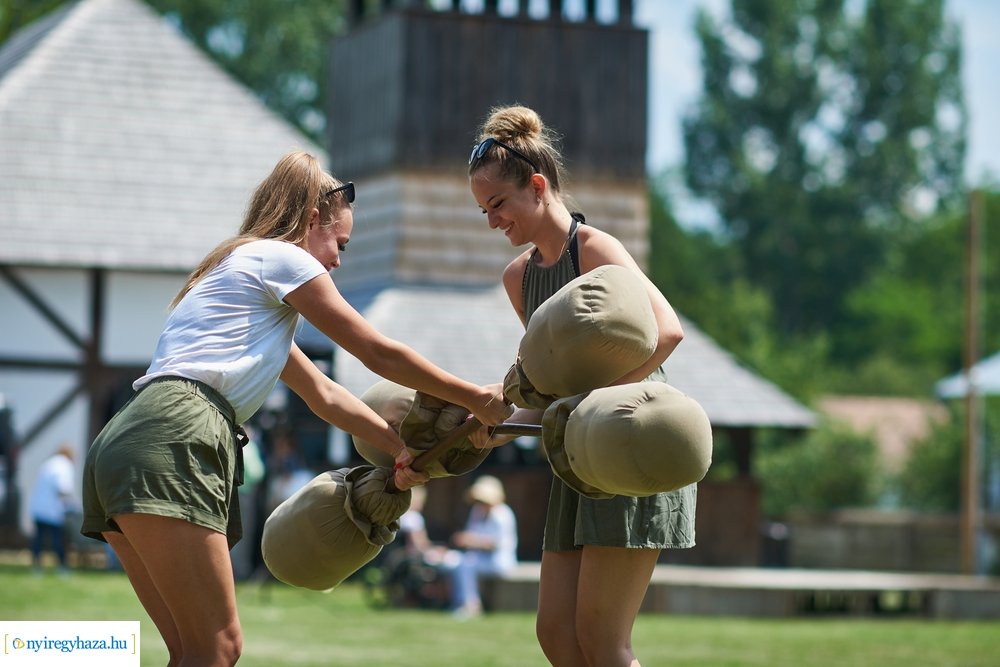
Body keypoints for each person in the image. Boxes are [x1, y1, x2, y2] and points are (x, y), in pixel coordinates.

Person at [80, 151, 512, 667]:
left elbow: (324, 395)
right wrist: (474, 398)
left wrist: (399, 449)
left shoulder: (240, 285)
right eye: (339, 244)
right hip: (178, 434)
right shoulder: (282, 258)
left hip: (121, 440)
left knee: (189, 651)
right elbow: (376, 351)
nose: (335, 262)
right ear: (311, 220)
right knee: (218, 649)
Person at [467, 105, 695, 667]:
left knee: (602, 641)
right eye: (483, 210)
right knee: (556, 636)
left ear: (537, 186)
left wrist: (585, 408)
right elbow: (551, 385)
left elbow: (667, 331)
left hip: (631, 438)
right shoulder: (518, 278)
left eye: (498, 204)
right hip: (577, 453)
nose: (493, 221)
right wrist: (498, 425)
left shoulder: (593, 249)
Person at [443, 475, 518, 618]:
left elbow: (495, 544)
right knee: (454, 562)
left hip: (499, 561)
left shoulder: (502, 514)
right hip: (479, 557)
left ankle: (471, 606)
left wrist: (470, 540)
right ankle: (459, 602)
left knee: (465, 566)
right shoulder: (477, 511)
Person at [29, 444, 77, 575]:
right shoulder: (64, 465)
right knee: (58, 540)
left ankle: (36, 568)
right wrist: (73, 504)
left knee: (38, 539)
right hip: (52, 510)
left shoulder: (48, 463)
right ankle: (62, 567)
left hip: (38, 507)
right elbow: (63, 488)